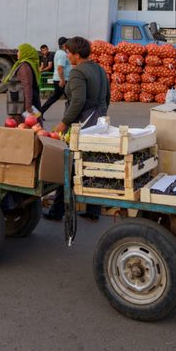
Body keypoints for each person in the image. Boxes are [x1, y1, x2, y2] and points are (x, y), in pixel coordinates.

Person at [45, 36, 109, 222]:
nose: (67, 56)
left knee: (68, 165)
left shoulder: (77, 72)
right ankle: (93, 211)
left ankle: (57, 212)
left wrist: (63, 123)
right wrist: (101, 117)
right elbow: (107, 97)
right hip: (98, 123)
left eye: (68, 53)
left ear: (77, 55)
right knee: (91, 165)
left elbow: (78, 101)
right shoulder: (99, 69)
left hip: (81, 125)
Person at [4, 43, 42, 120]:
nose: (17, 53)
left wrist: (28, 107)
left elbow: (27, 86)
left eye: (19, 51)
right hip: (21, 102)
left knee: (30, 127)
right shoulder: (27, 64)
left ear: (25, 52)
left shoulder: (24, 66)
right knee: (32, 127)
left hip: (22, 104)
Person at [40, 37, 70, 116]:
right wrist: (62, 80)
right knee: (71, 99)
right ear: (64, 45)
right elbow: (60, 67)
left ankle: (40, 112)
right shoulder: (62, 54)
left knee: (54, 97)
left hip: (58, 79)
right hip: (62, 80)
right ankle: (69, 118)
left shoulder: (58, 52)